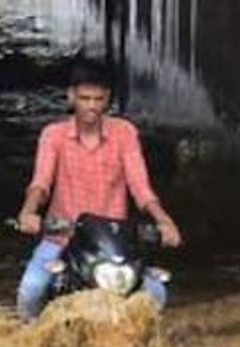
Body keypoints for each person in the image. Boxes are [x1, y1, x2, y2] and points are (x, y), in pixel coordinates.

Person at [14, 58, 182, 320]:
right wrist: (28, 212)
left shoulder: (124, 133)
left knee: (156, 294)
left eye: (98, 99)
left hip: (113, 243)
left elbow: (141, 188)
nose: (91, 106)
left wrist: (164, 220)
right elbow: (41, 183)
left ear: (108, 100)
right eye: (84, 98)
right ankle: (27, 342)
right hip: (63, 236)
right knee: (31, 289)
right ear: (71, 97)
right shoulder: (53, 135)